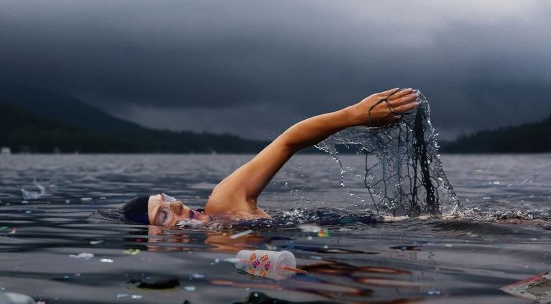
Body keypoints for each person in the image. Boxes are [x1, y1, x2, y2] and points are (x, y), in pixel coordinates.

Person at [122, 88, 420, 226]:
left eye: (167, 198)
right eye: (163, 214)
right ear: (156, 242)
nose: (176, 204)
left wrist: (354, 114)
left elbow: (287, 142)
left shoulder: (223, 204)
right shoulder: (217, 259)